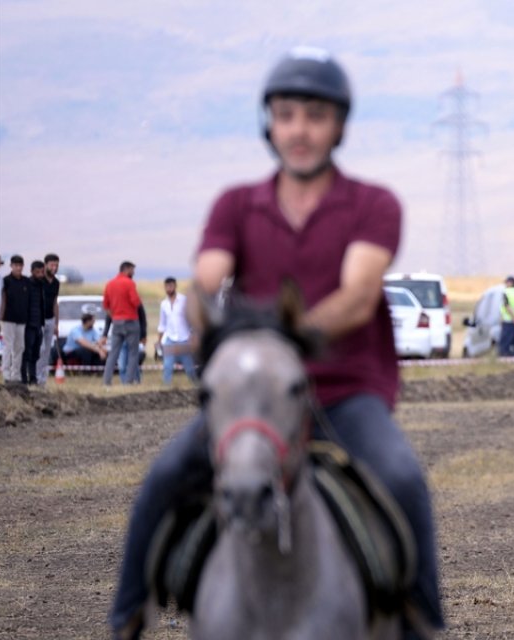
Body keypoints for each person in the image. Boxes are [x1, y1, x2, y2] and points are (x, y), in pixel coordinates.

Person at [109, 46, 443, 639]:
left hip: (343, 394)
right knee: (164, 475)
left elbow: (360, 293)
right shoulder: (237, 205)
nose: (300, 129)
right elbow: (207, 280)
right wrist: (211, 314)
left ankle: (420, 617)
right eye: (286, 114)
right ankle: (127, 614)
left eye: (315, 115)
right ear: (270, 122)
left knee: (401, 475)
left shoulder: (373, 204)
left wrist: (295, 336)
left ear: (339, 125)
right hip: (252, 398)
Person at [101, 261, 142, 385]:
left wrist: (114, 316)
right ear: (127, 269)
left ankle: (106, 381)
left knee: (113, 353)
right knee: (133, 353)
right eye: (132, 270)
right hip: (131, 321)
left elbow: (105, 306)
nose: (133, 273)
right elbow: (136, 302)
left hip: (117, 322)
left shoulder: (110, 284)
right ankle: (128, 381)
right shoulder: (129, 283)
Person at [157, 277, 197, 384]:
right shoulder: (163, 304)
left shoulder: (184, 301)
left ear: (175, 286)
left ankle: (195, 386)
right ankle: (166, 389)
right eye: (167, 286)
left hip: (184, 339)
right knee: (167, 366)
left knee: (189, 367)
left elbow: (192, 317)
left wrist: (193, 335)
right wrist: (159, 340)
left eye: (171, 286)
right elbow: (162, 324)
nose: (169, 289)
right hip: (170, 339)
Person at [0, 255, 30, 384]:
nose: (18, 268)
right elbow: (2, 299)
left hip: (21, 320)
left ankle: (15, 375)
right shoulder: (6, 281)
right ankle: (6, 374)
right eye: (15, 265)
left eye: (20, 265)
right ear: (11, 266)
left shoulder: (26, 281)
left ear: (23, 266)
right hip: (8, 319)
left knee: (20, 347)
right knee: (8, 346)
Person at [35, 253, 62, 385]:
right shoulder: (39, 281)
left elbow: (55, 303)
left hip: (50, 320)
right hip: (38, 320)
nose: (54, 267)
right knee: (40, 349)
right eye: (52, 265)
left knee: (46, 352)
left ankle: (42, 380)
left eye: (56, 265)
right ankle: (34, 377)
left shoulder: (56, 283)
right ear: (45, 265)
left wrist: (56, 323)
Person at [21, 260, 48, 384]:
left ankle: (33, 377)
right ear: (32, 272)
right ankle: (24, 378)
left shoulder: (42, 285)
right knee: (27, 352)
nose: (40, 275)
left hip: (38, 324)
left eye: (42, 272)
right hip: (28, 324)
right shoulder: (26, 284)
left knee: (36, 354)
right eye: (38, 272)